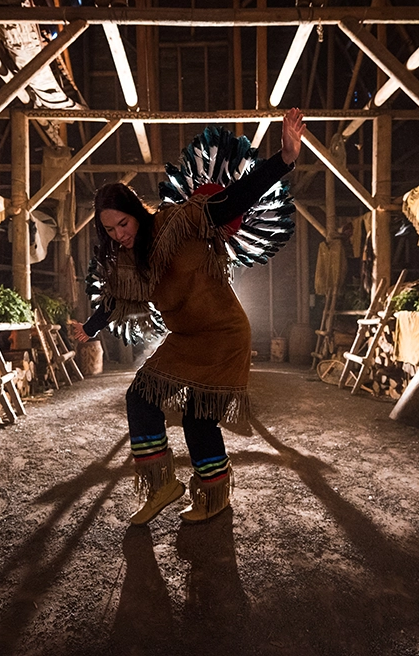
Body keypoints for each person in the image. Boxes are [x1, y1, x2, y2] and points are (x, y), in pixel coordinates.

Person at [71, 108, 305, 525]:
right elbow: (113, 300)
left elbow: (239, 195)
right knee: (140, 396)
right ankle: (163, 484)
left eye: (122, 223)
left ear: (136, 211)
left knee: (199, 418)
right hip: (184, 338)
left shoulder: (182, 220)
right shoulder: (128, 263)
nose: (119, 234)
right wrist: (88, 330)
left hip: (223, 333)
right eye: (110, 231)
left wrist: (284, 158)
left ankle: (214, 498)